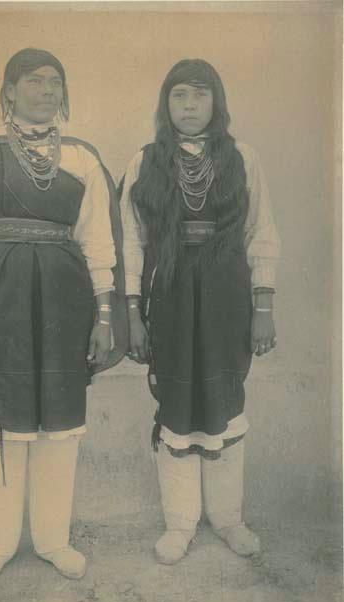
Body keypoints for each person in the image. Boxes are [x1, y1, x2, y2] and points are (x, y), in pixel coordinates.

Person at [0, 48, 126, 584]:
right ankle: (0, 543)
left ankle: (53, 540)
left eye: (56, 82)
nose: (47, 90)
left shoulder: (83, 159)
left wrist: (103, 318)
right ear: (9, 91)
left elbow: (100, 244)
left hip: (66, 304)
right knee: (3, 417)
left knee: (60, 424)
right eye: (34, 81)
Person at [120, 58, 280, 565]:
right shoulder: (144, 161)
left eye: (200, 95)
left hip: (227, 294)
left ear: (218, 101)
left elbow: (262, 232)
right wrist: (132, 314)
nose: (190, 106)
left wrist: (263, 306)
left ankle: (228, 518)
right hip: (167, 293)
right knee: (177, 403)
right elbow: (132, 243)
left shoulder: (242, 158)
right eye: (179, 96)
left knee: (224, 399)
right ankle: (181, 523)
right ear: (165, 104)